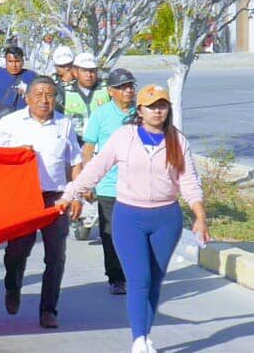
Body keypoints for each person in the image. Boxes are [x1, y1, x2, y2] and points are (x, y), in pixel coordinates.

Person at [57, 85, 208, 353]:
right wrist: (70, 195)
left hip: (166, 218)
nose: (157, 110)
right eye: (151, 106)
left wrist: (200, 215)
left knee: (155, 278)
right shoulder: (124, 137)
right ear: (140, 110)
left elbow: (189, 181)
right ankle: (138, 339)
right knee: (138, 279)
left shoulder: (177, 139)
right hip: (129, 217)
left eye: (162, 105)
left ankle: (145, 334)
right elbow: (96, 168)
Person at [0, 76, 82, 329]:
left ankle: (48, 310)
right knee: (18, 251)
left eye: (49, 95)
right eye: (38, 95)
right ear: (27, 97)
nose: (44, 100)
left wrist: (75, 195)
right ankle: (12, 285)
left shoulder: (64, 124)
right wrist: (15, 152)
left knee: (56, 256)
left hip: (55, 198)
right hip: (23, 198)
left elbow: (75, 162)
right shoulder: (10, 123)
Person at [80, 68, 137, 295]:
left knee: (134, 234)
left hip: (137, 186)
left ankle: (135, 273)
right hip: (108, 186)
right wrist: (88, 181)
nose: (129, 90)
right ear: (111, 91)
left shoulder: (141, 113)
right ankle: (116, 277)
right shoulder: (100, 115)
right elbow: (89, 149)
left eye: (131, 85)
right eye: (123, 87)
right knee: (111, 233)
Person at [0, 46, 37, 128]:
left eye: (17, 61)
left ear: (22, 61)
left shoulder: (31, 75)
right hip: (3, 121)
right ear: (6, 61)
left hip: (26, 121)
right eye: (10, 61)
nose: (14, 65)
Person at [58, 52, 110, 140]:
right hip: (75, 144)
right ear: (75, 72)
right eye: (84, 70)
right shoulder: (64, 92)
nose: (89, 75)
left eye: (92, 71)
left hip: (103, 143)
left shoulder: (107, 89)